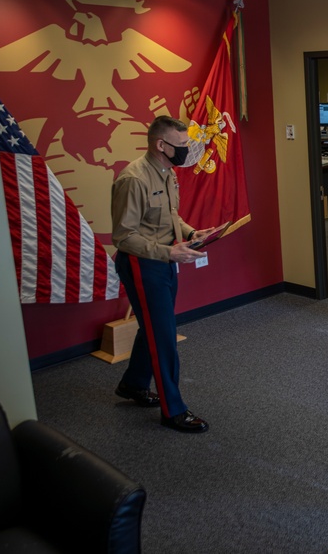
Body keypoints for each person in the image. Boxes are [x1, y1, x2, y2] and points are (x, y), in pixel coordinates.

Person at [110, 115, 213, 433]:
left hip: (164, 261)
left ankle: (134, 384)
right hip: (143, 264)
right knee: (164, 335)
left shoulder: (167, 173)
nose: (186, 150)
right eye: (181, 145)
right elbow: (124, 237)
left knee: (155, 327)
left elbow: (169, 216)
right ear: (161, 145)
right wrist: (170, 252)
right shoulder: (134, 179)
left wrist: (192, 231)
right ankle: (174, 410)